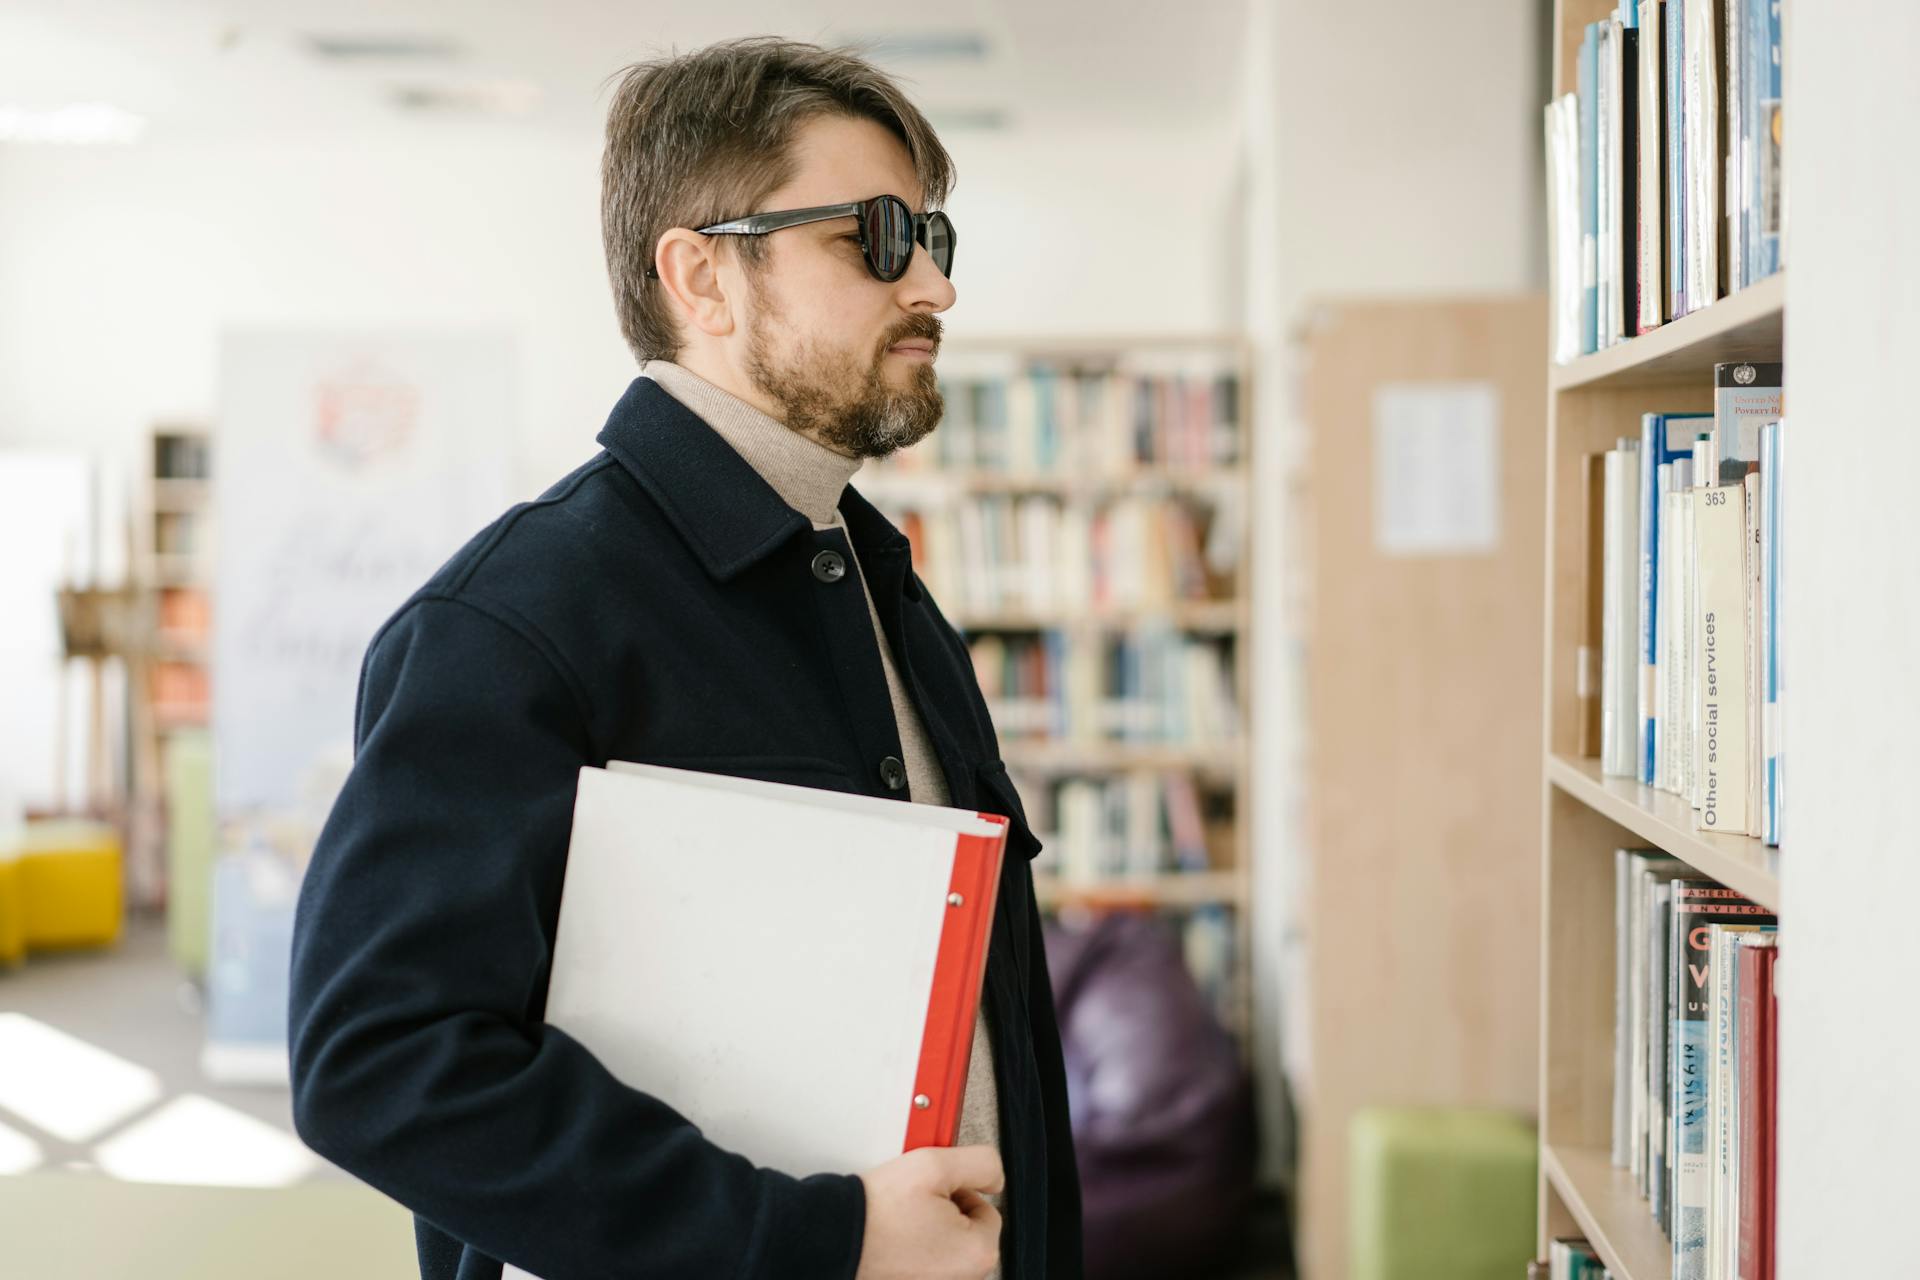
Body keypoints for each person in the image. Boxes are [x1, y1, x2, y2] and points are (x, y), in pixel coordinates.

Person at [287, 35, 1083, 1280]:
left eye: (935, 238)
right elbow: (379, 1063)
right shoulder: (516, 617)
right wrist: (819, 1240)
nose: (931, 285)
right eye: (876, 235)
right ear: (702, 278)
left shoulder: (885, 586)